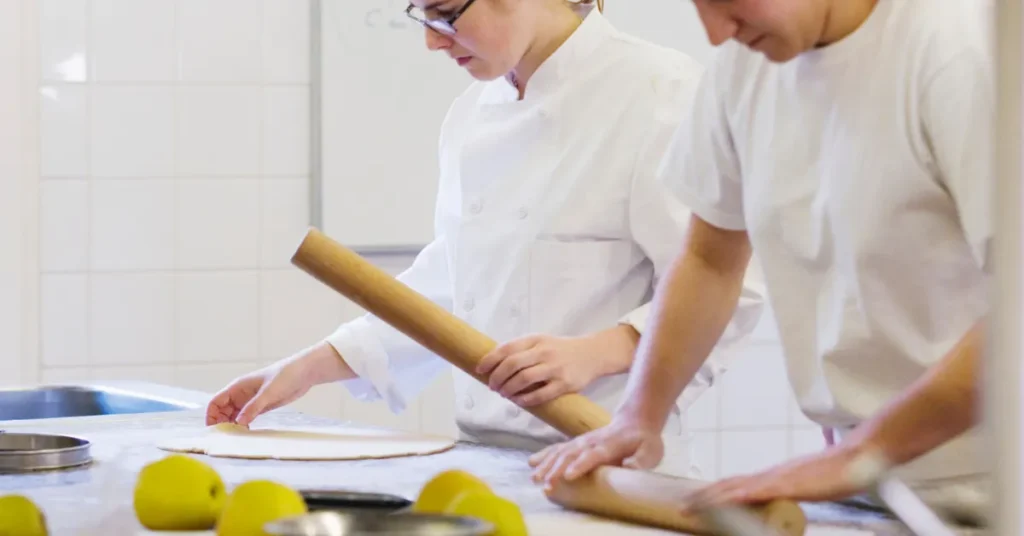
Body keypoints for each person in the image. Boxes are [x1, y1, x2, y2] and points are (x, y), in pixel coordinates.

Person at [205, 0, 765, 478]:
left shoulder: (661, 95)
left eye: (446, 14)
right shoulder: (472, 115)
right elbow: (453, 286)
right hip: (490, 462)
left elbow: (731, 288)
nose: (430, 41)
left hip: (618, 468)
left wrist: (599, 352)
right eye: (420, 14)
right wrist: (309, 367)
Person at [529, 0, 993, 523]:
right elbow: (710, 258)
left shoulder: (960, 52)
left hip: (995, 478)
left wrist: (861, 454)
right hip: (869, 481)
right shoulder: (745, 68)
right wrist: (640, 414)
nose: (715, 31)